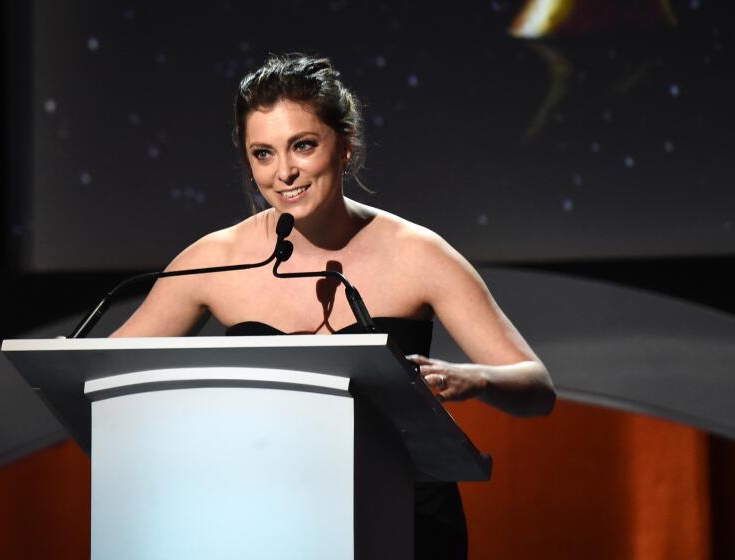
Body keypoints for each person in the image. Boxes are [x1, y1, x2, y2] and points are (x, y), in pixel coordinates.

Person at [112, 53, 556, 559]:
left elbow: (536, 387)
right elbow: (103, 375)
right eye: (263, 154)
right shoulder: (215, 258)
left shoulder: (417, 253)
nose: (284, 173)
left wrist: (472, 378)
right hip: (269, 523)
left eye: (303, 146)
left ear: (345, 147)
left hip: (407, 521)